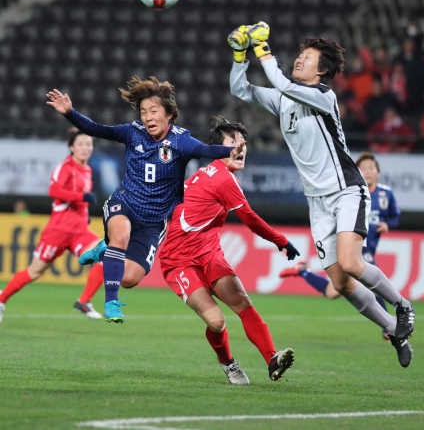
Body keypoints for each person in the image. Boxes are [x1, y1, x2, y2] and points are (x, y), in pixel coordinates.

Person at [227, 22, 415, 367]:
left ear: (323, 69)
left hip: (346, 189)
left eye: (307, 57)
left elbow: (281, 81)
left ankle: (403, 306)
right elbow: (241, 90)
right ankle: (393, 329)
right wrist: (241, 54)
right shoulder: (284, 100)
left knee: (351, 262)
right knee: (341, 284)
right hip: (317, 202)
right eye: (299, 54)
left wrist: (262, 48)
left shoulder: (323, 96)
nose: (299, 60)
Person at [46, 76, 245, 323]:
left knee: (130, 278)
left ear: (169, 114)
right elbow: (96, 129)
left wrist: (229, 151)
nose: (148, 117)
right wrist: (70, 113)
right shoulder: (132, 133)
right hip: (125, 203)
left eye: (154, 111)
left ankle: (104, 250)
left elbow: (205, 150)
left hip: (154, 221)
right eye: (143, 112)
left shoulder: (181, 141)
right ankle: (111, 302)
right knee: (120, 236)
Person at [158, 116, 298, 384]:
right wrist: (281, 240)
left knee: (242, 302)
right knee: (216, 321)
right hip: (179, 261)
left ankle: (272, 359)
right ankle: (228, 363)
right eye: (233, 141)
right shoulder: (222, 178)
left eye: (243, 142)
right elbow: (250, 219)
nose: (241, 147)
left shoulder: (206, 173)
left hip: (209, 254)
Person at [280, 152, 400, 339]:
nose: (368, 172)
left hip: (368, 247)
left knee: (332, 292)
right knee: (365, 277)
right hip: (355, 250)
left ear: (378, 171)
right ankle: (389, 323)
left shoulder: (386, 194)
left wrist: (388, 225)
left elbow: (394, 216)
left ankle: (303, 271)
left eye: (371, 168)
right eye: (364, 168)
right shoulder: (350, 193)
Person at [0, 127, 104, 322]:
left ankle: (84, 301)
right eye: (80, 144)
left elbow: (80, 202)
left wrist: (85, 214)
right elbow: (54, 191)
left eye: (88, 144)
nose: (85, 148)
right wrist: (81, 196)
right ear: (72, 147)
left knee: (105, 256)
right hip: (58, 231)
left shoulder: (88, 170)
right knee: (35, 272)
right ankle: (1, 298)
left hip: (79, 231)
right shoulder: (65, 167)